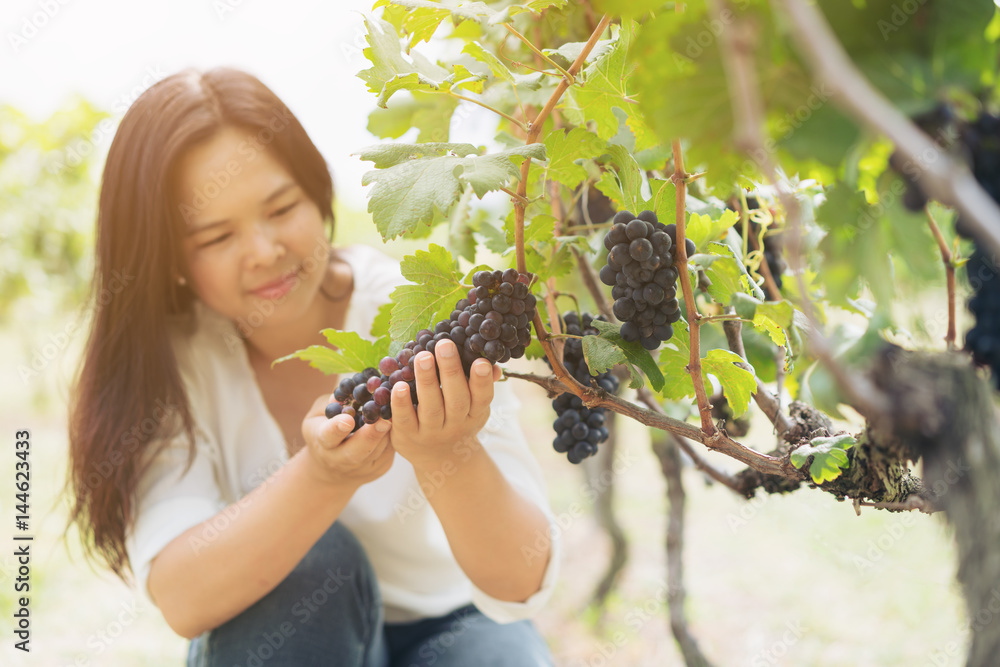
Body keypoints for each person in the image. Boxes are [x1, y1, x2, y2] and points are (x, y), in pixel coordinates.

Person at [65, 66, 559, 666]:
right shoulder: (170, 363)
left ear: (317, 190)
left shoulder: (421, 324)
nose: (264, 251)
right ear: (167, 256)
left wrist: (445, 455)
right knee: (315, 563)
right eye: (216, 238)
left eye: (280, 208)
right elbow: (182, 596)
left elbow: (523, 579)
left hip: (453, 626)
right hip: (295, 637)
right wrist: (323, 478)